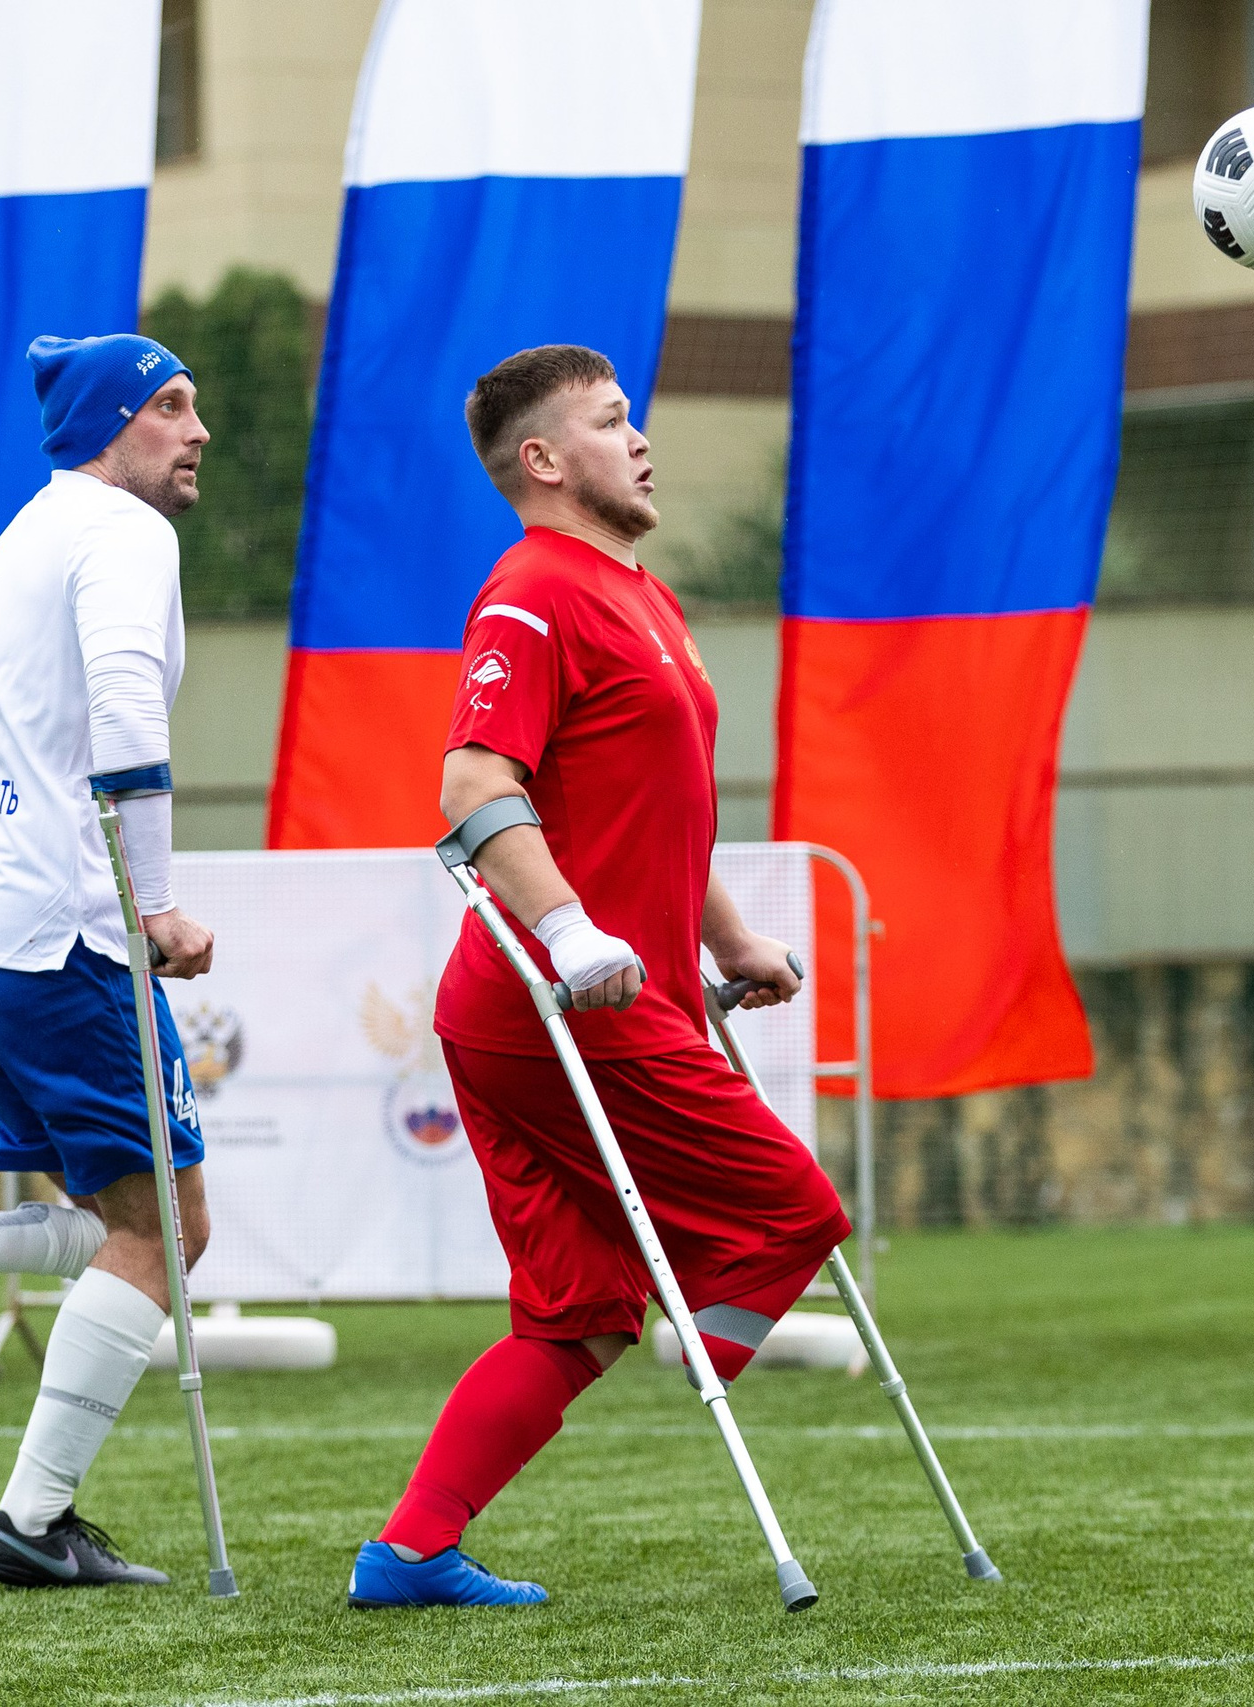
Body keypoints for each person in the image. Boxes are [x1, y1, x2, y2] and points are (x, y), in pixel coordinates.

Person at [345, 345, 852, 1610]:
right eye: (612, 421)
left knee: (574, 1319)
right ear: (544, 459)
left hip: (602, 998)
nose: (640, 439)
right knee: (791, 1210)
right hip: (557, 1003)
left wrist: (729, 938)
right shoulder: (532, 593)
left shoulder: (645, 597)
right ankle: (710, 1353)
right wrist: (573, 933)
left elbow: (655, 799)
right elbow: (474, 783)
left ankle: (405, 1555)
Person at [0, 331, 218, 1588]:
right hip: (58, 936)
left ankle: (42, 1243)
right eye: (171, 407)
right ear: (109, 425)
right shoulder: (121, 532)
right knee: (173, 1233)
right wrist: (158, 903)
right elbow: (128, 714)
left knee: (131, 1215)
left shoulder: (24, 534)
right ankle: (31, 1526)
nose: (197, 431)